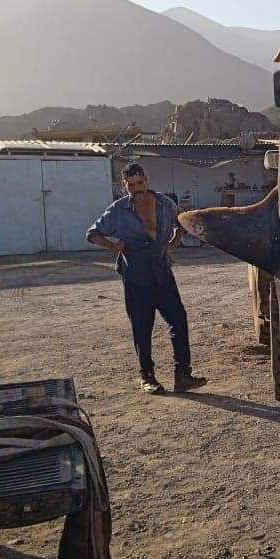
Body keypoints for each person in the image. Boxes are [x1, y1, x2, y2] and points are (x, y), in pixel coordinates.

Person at [87, 163, 206, 395]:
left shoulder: (163, 203)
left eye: (139, 183)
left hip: (162, 273)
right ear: (125, 186)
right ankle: (147, 376)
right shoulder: (118, 210)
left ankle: (183, 375)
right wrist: (113, 247)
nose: (136, 189)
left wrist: (174, 242)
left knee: (178, 321)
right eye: (131, 185)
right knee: (142, 328)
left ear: (147, 181)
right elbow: (92, 233)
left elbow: (181, 221)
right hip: (136, 277)